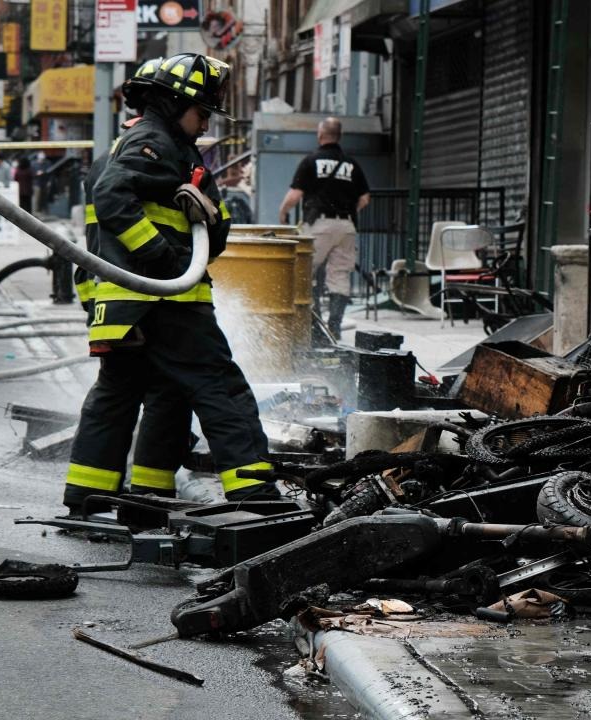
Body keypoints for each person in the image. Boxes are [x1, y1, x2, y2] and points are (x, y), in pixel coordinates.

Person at [63, 53, 279, 516]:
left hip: (127, 303)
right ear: (172, 102)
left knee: (133, 391)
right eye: (202, 113)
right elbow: (113, 200)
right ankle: (255, 495)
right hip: (164, 298)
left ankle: (99, 494)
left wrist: (205, 215)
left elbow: (203, 234)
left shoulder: (127, 148)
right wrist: (165, 261)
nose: (204, 124)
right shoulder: (155, 142)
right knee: (219, 385)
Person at [65, 58, 194, 508]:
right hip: (144, 300)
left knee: (116, 393)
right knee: (165, 392)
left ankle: (88, 493)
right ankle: (149, 495)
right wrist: (166, 260)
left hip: (110, 301)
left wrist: (94, 308)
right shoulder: (147, 156)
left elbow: (89, 248)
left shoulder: (106, 159)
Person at [278, 117, 370, 341]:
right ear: (339, 136)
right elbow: (365, 199)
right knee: (339, 276)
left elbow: (295, 195)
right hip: (346, 225)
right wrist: (348, 212)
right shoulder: (352, 164)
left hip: (319, 225)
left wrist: (283, 213)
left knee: (305, 273)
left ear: (320, 135)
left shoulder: (311, 161)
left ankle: (313, 325)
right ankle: (334, 326)